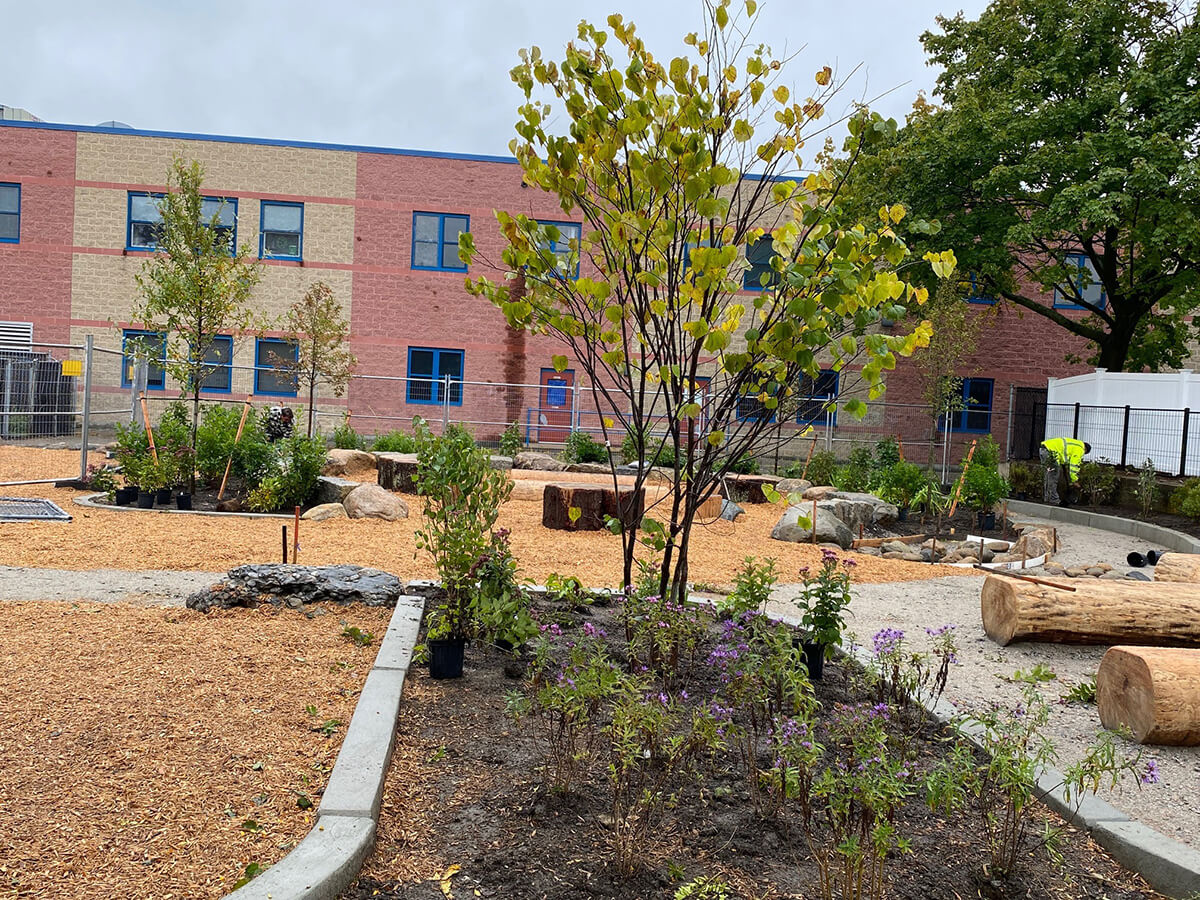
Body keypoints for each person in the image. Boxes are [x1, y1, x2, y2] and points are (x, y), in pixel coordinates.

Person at [1039, 437, 1091, 506]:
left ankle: (1047, 498)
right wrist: (1074, 480)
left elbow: (1063, 452)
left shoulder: (1075, 444)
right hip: (1051, 453)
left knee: (1048, 476)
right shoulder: (1080, 449)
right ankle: (1053, 499)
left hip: (1044, 450)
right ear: (1085, 450)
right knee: (1053, 477)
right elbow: (1074, 466)